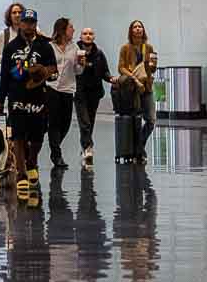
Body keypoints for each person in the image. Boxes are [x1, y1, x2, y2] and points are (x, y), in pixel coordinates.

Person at [0, 11, 54, 202]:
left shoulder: (44, 46)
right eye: (26, 22)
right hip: (17, 96)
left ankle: (32, 162)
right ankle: (22, 173)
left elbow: (53, 68)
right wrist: (0, 100)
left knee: (37, 137)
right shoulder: (11, 47)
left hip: (38, 97)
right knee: (19, 135)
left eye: (32, 22)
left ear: (36, 24)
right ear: (20, 23)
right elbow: (4, 75)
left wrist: (44, 73)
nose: (29, 26)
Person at [44, 16, 82, 170]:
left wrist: (81, 65)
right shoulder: (49, 47)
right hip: (51, 87)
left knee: (65, 122)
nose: (73, 30)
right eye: (70, 27)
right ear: (62, 29)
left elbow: (78, 71)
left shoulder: (75, 49)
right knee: (53, 121)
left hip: (67, 88)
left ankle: (54, 145)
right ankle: (56, 154)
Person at [74, 27, 110, 168]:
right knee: (85, 122)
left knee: (90, 121)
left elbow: (105, 71)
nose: (88, 36)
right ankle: (88, 147)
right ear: (81, 36)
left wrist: (111, 78)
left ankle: (85, 147)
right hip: (79, 92)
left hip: (94, 92)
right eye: (85, 34)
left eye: (90, 34)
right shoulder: (75, 51)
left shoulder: (99, 54)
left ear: (93, 37)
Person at [118, 20, 158, 148]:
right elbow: (121, 68)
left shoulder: (149, 47)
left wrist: (153, 65)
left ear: (143, 30)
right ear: (131, 31)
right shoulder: (125, 48)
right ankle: (136, 149)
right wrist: (134, 79)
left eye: (140, 26)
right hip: (132, 88)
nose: (138, 29)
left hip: (146, 86)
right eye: (135, 27)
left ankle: (139, 146)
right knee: (135, 118)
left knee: (151, 120)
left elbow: (152, 69)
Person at [0, 1, 26, 118]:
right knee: (15, 112)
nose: (17, 15)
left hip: (30, 77)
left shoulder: (34, 32)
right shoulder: (3, 35)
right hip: (12, 78)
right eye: (14, 12)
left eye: (20, 12)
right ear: (9, 16)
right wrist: (10, 57)